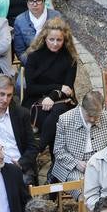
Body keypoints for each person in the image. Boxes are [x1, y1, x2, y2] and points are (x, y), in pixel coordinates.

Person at [22, 17, 77, 154]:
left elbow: (68, 89)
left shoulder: (70, 59)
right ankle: (55, 168)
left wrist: (52, 97)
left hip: (61, 100)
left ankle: (37, 149)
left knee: (58, 113)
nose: (55, 43)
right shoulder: (34, 57)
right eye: (51, 39)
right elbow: (31, 88)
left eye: (59, 40)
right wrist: (58, 87)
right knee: (56, 122)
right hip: (35, 100)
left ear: (65, 40)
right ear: (44, 38)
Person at [51, 91, 107, 184]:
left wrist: (101, 163)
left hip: (101, 165)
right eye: (89, 115)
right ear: (81, 108)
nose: (92, 119)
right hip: (72, 166)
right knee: (85, 187)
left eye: (96, 116)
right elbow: (58, 150)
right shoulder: (65, 119)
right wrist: (76, 163)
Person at [13, 0, 59, 66]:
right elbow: (20, 51)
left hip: (54, 63)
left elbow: (63, 44)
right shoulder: (20, 20)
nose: (34, 4)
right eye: (31, 1)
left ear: (44, 0)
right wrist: (33, 65)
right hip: (31, 64)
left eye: (38, 1)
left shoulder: (56, 17)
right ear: (26, 2)